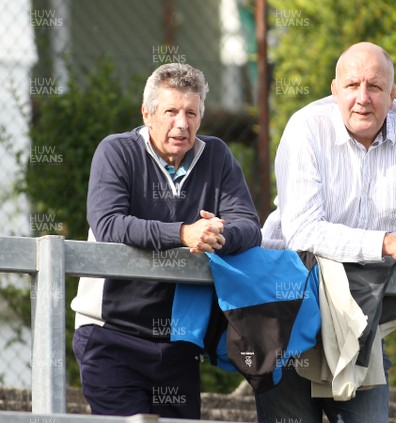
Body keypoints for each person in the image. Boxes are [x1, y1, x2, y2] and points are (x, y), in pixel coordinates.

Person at [258, 42, 396, 422]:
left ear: (392, 95)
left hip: (362, 317)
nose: (363, 98)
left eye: (375, 87)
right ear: (334, 91)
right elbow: (303, 231)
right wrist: (388, 242)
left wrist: (393, 245)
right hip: (288, 309)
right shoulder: (305, 128)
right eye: (352, 86)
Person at [70, 62, 262, 418]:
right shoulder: (116, 151)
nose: (182, 123)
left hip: (179, 340)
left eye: (191, 112)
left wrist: (219, 233)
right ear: (147, 114)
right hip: (111, 334)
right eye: (171, 111)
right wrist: (184, 233)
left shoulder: (217, 156)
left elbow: (249, 226)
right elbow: (109, 223)